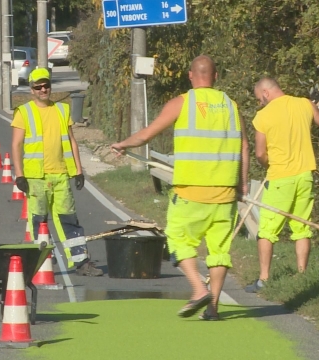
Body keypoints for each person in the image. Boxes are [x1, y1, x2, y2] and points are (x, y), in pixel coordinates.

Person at [111, 55, 249, 320]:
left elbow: (148, 134)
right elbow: (244, 147)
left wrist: (123, 144)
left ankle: (198, 290)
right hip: (225, 194)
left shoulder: (182, 103)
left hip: (191, 192)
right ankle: (212, 309)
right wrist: (241, 186)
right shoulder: (232, 106)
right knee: (219, 251)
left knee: (176, 237)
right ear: (216, 76)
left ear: (190, 75)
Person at [245, 78, 319, 293]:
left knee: (266, 230)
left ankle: (264, 279)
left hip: (280, 178)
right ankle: (302, 274)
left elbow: (259, 153)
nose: (260, 103)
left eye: (259, 99)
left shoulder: (263, 116)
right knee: (302, 227)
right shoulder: (304, 103)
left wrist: (268, 164)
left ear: (266, 93)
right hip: (305, 175)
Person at [11, 68, 102, 276]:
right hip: (36, 178)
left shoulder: (62, 110)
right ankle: (42, 264)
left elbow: (71, 141)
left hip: (60, 175)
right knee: (39, 221)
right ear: (32, 90)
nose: (43, 89)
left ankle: (80, 261)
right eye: (38, 87)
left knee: (69, 219)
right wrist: (19, 175)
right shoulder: (24, 112)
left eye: (46, 85)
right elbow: (16, 145)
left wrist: (78, 171)